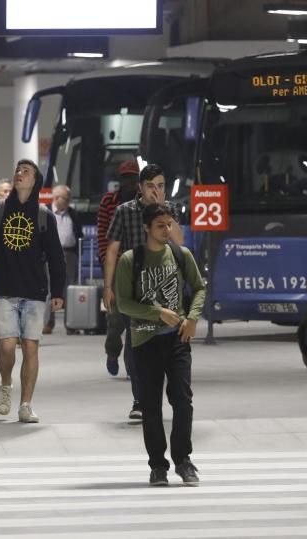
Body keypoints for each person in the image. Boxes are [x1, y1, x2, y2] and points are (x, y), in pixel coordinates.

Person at [114, 203, 205, 487]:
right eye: (160, 226)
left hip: (178, 340)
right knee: (151, 406)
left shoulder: (181, 255)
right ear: (146, 228)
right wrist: (157, 313)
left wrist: (191, 318)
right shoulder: (131, 260)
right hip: (144, 341)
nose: (166, 230)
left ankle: (183, 460)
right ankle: (158, 465)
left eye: (169, 224)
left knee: (183, 402)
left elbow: (199, 287)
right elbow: (123, 303)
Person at [0, 160, 66, 424]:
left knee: (31, 347)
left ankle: (26, 404)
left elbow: (57, 256)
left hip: (34, 289)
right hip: (3, 287)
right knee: (7, 344)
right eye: (17, 170)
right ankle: (5, 383)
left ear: (36, 180)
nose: (19, 174)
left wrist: (58, 290)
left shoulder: (44, 215)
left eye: (26, 171)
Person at [104, 163, 183, 421]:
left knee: (163, 341)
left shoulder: (168, 210)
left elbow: (179, 243)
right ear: (140, 187)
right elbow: (113, 250)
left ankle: (159, 393)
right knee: (136, 339)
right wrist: (108, 286)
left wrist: (163, 212)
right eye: (151, 186)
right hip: (131, 286)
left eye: (160, 186)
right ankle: (140, 399)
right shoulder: (124, 212)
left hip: (163, 287)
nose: (155, 191)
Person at [98, 160, 139, 373]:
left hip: (138, 265)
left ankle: (132, 363)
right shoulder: (108, 201)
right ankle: (112, 351)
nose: (129, 181)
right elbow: (103, 233)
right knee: (115, 318)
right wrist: (107, 260)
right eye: (126, 177)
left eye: (133, 177)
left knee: (136, 317)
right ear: (120, 179)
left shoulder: (143, 202)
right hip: (115, 265)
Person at [46, 184, 83, 334]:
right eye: (65, 198)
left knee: (70, 289)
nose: (68, 201)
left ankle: (71, 324)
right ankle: (47, 323)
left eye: (69, 198)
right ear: (55, 198)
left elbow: (79, 233)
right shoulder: (45, 212)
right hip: (50, 255)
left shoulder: (73, 213)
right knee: (49, 289)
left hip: (69, 254)